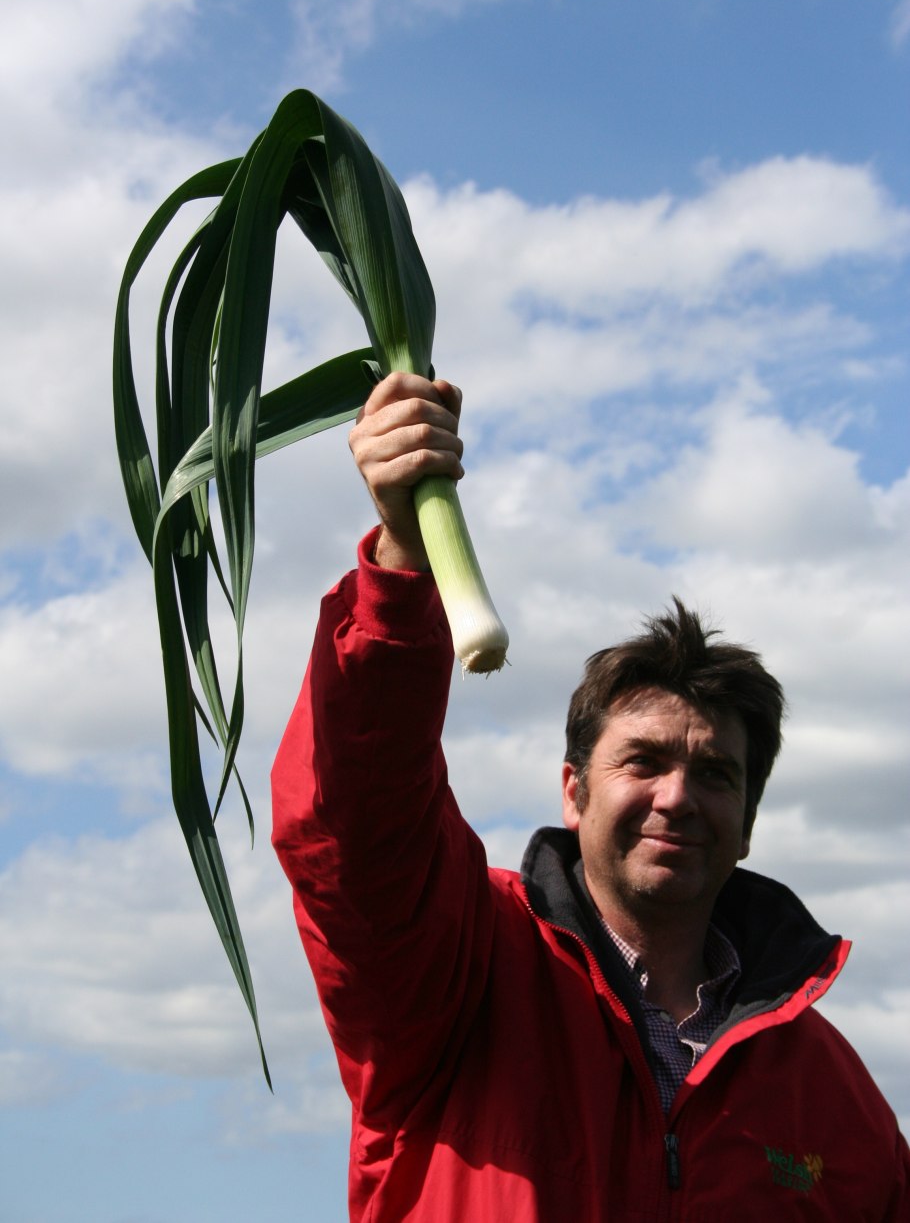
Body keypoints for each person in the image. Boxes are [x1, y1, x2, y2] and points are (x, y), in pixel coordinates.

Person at [271, 373, 909, 1221]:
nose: (677, 796)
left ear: (748, 823)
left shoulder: (833, 1097)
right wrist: (402, 560)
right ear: (573, 791)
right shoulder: (459, 965)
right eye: (641, 761)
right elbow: (358, 826)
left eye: (716, 773)